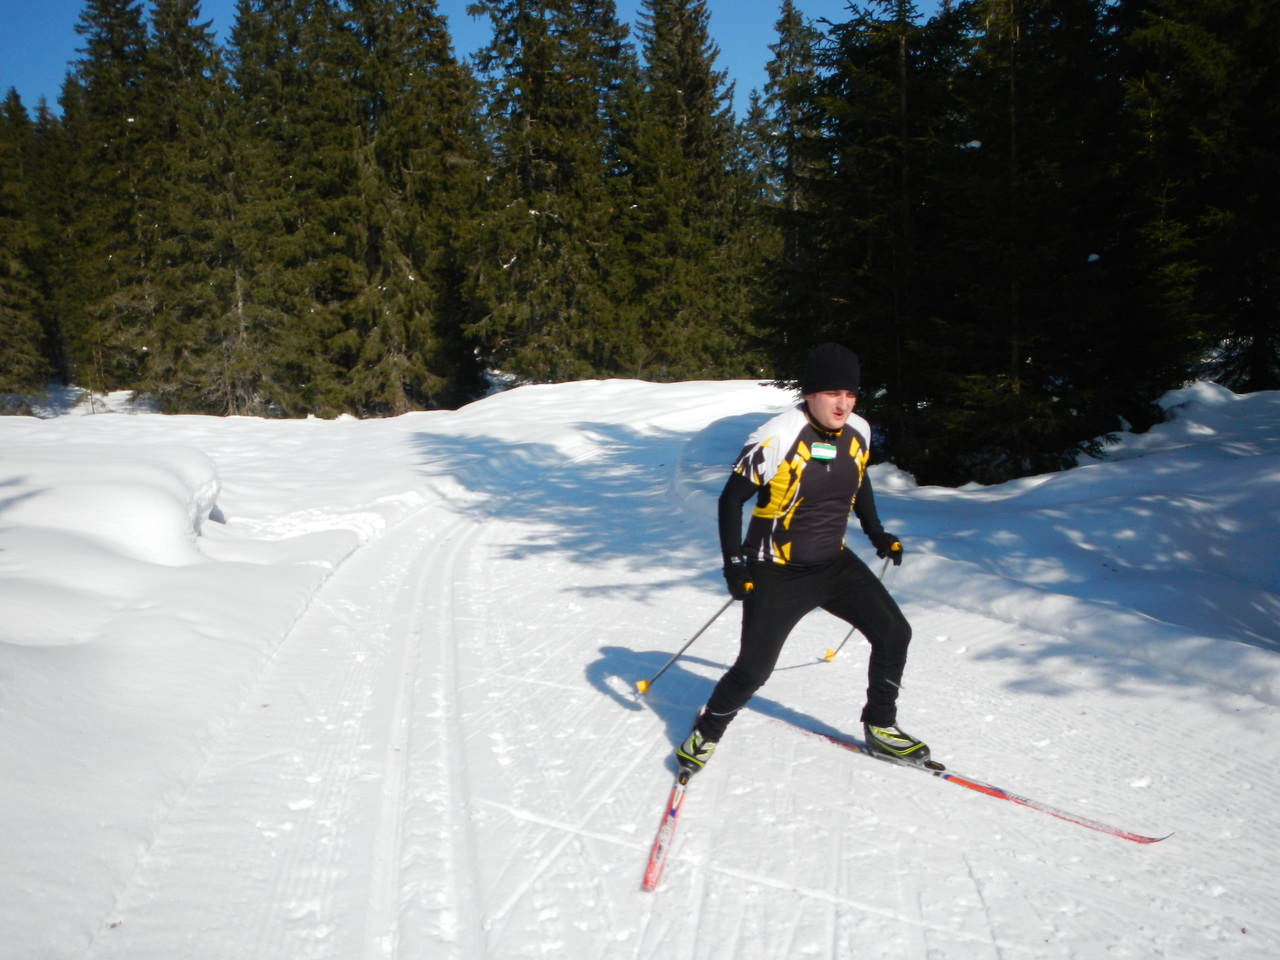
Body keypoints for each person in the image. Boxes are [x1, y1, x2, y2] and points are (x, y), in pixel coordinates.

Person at [676, 342, 926, 776]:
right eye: (832, 393)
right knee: (754, 670)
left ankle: (881, 725)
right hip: (776, 570)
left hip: (833, 562)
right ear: (810, 394)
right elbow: (731, 499)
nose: (843, 404)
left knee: (894, 634)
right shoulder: (777, 436)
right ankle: (707, 731)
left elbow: (858, 480)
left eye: (850, 394)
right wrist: (734, 564)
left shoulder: (858, 431)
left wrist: (877, 534)